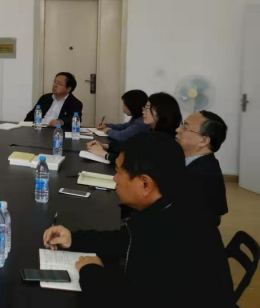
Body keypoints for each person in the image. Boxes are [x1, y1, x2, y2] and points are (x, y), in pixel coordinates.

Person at [43, 132, 234, 307]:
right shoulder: (170, 207)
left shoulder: (173, 238)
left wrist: (90, 271)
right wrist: (74, 239)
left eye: (119, 172)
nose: (115, 179)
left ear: (145, 184)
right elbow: (124, 240)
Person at [87, 92, 181, 162]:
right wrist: (105, 146)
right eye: (144, 108)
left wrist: (104, 154)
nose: (144, 112)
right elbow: (130, 148)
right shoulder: (151, 131)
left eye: (148, 108)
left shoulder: (162, 141)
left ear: (162, 112)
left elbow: (134, 164)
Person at [176, 111, 228, 226]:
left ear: (203, 141)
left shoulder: (202, 175)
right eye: (181, 125)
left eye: (185, 127)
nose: (178, 130)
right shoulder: (190, 160)